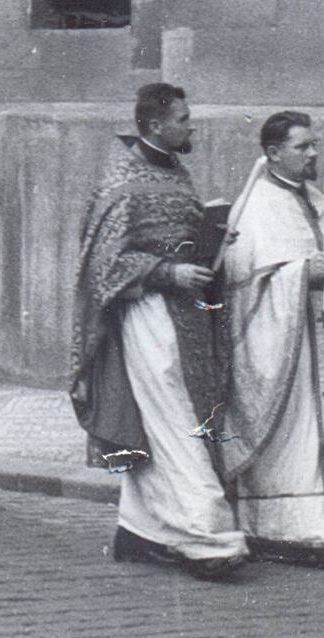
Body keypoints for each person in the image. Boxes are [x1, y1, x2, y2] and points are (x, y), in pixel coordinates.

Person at [71, 83, 247, 579]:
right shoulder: (120, 182)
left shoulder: (176, 170)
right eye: (183, 119)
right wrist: (168, 273)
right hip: (148, 316)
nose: (191, 126)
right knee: (177, 419)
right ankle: (207, 535)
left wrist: (213, 241)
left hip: (187, 315)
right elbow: (103, 263)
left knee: (163, 420)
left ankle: (139, 529)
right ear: (154, 125)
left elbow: (181, 239)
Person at [221, 111, 324, 567]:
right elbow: (241, 287)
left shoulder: (314, 197)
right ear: (273, 153)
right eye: (303, 147)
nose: (314, 153)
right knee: (297, 429)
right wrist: (301, 274)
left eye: (314, 145)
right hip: (284, 347)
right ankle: (283, 523)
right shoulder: (256, 206)